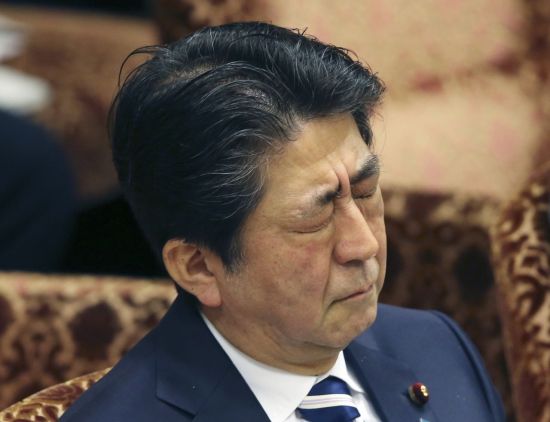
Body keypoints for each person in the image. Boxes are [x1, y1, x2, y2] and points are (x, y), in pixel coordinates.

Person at [60, 22, 504, 421]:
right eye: (315, 218)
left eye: (365, 191)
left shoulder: (436, 347)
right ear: (198, 266)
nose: (364, 245)